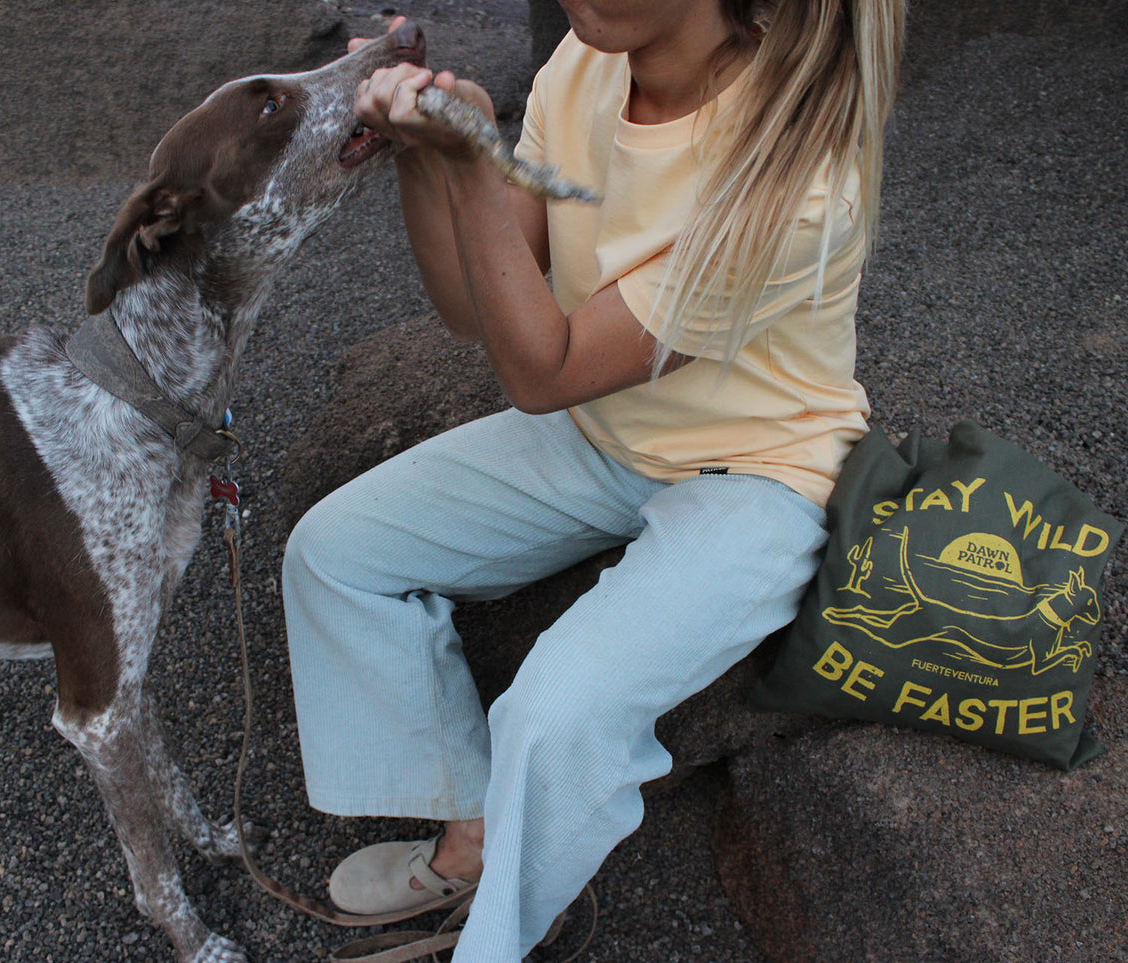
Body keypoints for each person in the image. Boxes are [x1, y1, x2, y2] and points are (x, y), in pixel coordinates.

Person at [283, 1, 906, 958]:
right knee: (335, 552)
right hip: (606, 430)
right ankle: (474, 833)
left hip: (757, 469)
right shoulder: (584, 60)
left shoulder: (794, 176)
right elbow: (470, 308)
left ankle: (497, 939)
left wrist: (470, 168)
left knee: (556, 714)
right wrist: (426, 156)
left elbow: (544, 371)